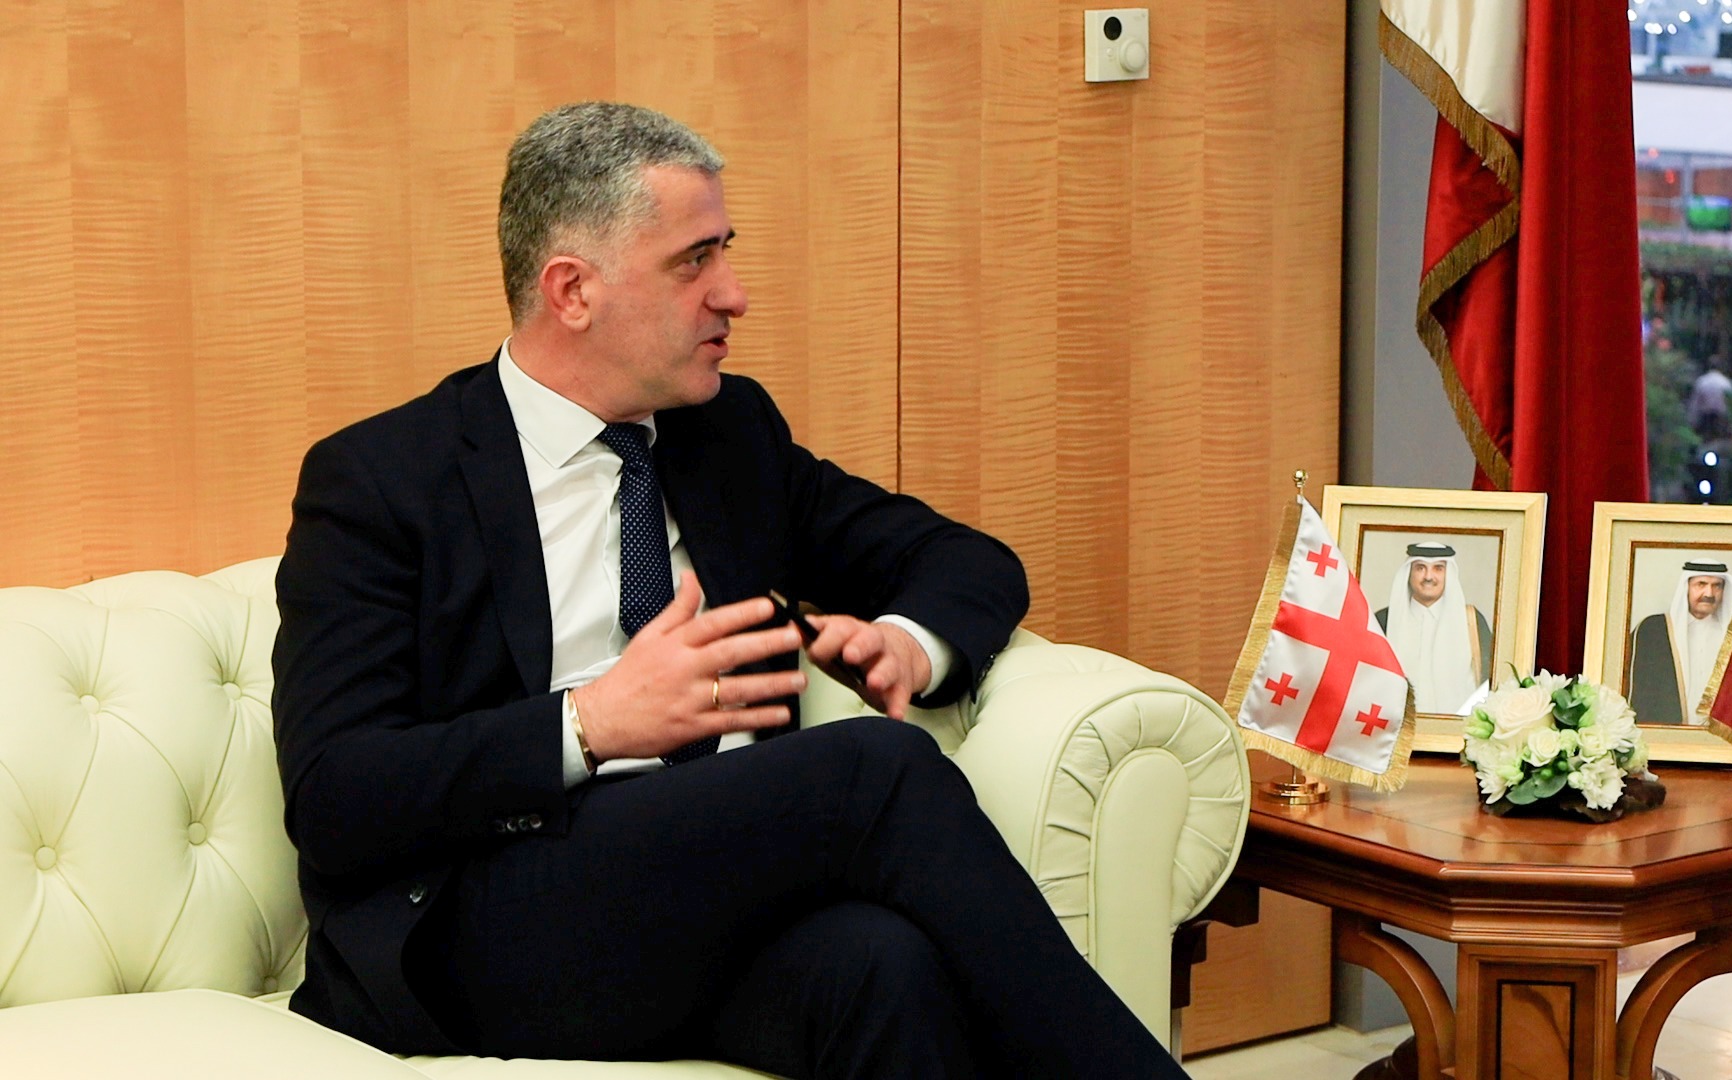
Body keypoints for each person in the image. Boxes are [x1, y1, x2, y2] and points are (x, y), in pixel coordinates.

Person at [271, 102, 1184, 1079]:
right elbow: (333, 794)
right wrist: (588, 725)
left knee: (884, 967)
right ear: (572, 291)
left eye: (726, 253)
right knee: (873, 771)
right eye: (693, 262)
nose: (734, 295)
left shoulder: (726, 435)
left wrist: (910, 642)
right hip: (489, 916)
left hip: (707, 894)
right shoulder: (383, 479)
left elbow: (965, 559)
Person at [1374, 542, 1492, 714]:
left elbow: (1489, 681)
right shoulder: (1383, 621)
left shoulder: (1471, 621)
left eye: (1438, 568)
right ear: (1409, 573)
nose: (1428, 577)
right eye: (1420, 568)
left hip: (1456, 727)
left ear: (1448, 574)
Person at [1627, 559, 1732, 726]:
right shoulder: (1653, 630)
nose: (1709, 593)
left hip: (1718, 737)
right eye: (1701, 584)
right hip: (1668, 736)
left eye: (1717, 586)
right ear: (1686, 587)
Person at [1687, 359, 1732, 442]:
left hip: (1706, 420)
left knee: (1706, 442)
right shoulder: (1727, 383)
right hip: (1722, 420)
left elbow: (1695, 405)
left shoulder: (1701, 381)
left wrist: (1692, 422)